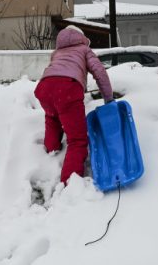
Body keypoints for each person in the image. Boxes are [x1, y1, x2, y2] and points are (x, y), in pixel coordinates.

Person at [34, 25, 114, 184]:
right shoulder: (84, 49)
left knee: (52, 116)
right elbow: (100, 72)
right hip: (68, 88)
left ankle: (52, 148)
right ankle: (70, 182)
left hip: (44, 87)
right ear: (82, 38)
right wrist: (109, 99)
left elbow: (55, 72)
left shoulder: (57, 52)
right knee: (77, 140)